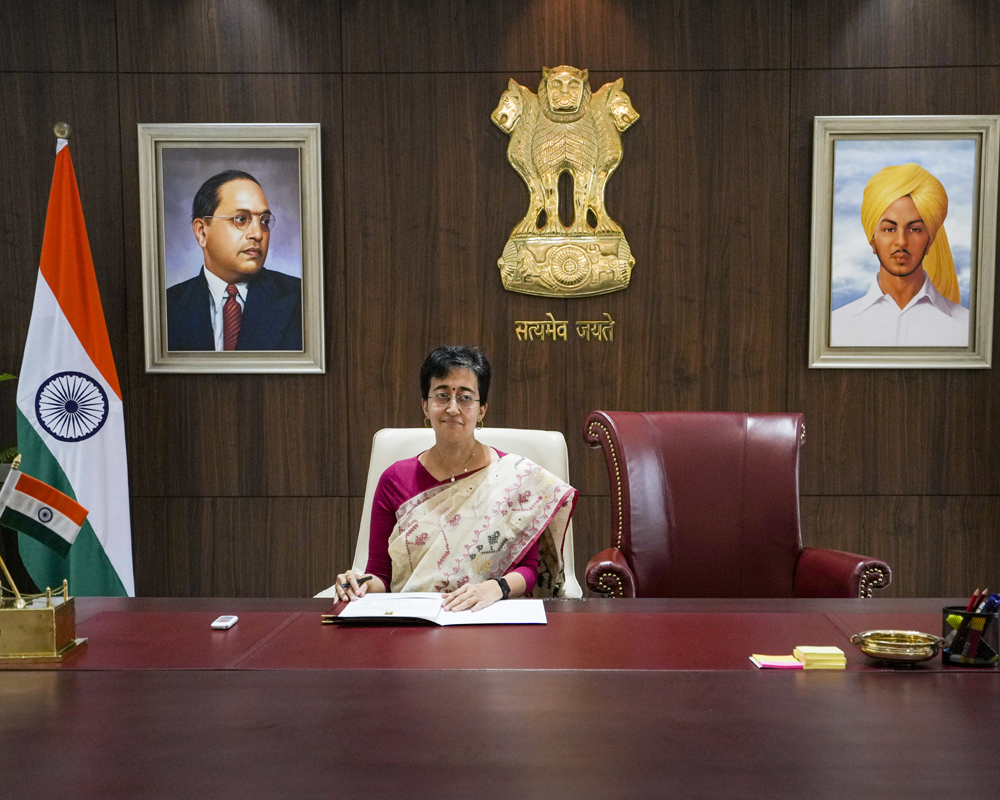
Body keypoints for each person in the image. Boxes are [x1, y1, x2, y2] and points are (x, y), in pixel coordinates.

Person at [335, 346, 578, 612]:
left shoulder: (516, 478)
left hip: (486, 612)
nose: (452, 408)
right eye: (442, 395)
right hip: (415, 618)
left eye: (465, 397)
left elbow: (530, 569)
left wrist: (496, 588)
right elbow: (381, 575)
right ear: (425, 406)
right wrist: (360, 585)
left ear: (482, 409)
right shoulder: (394, 479)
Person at [830, 162, 969, 347]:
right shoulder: (836, 327)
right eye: (889, 229)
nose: (902, 241)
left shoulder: (965, 328)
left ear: (929, 241)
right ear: (872, 240)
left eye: (914, 229)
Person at [167, 170, 302, 351]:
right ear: (202, 232)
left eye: (264, 221)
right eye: (241, 219)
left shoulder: (302, 299)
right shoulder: (165, 307)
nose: (257, 234)